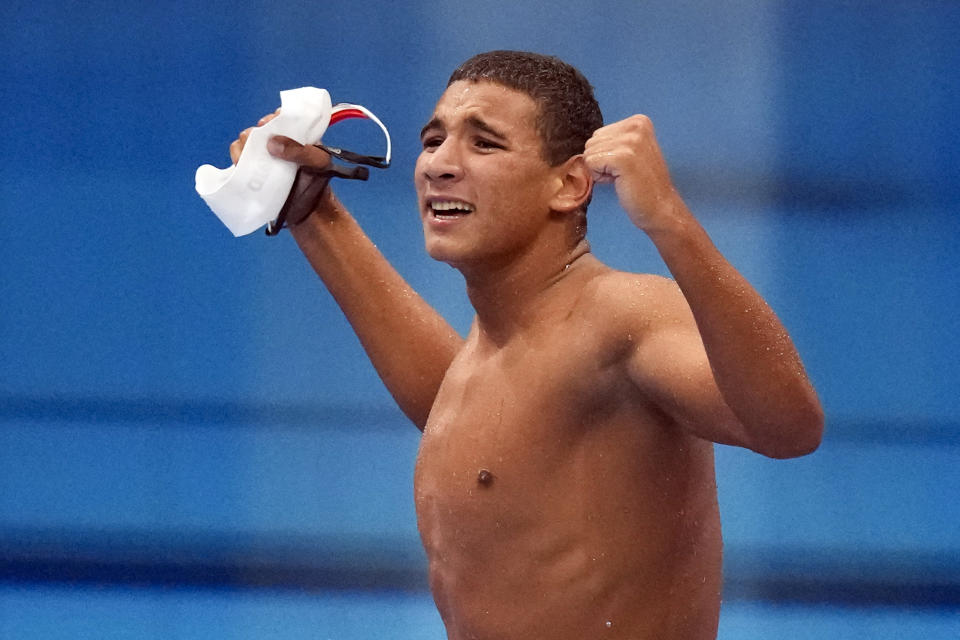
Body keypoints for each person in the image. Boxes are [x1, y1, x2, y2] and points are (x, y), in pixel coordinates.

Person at [229, 50, 823, 640]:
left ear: (568, 184)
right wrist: (314, 215)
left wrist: (669, 219)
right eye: (433, 140)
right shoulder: (496, 350)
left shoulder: (624, 317)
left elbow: (788, 428)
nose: (439, 164)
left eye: (483, 144)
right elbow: (475, 424)